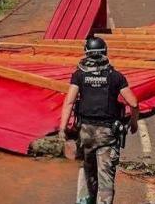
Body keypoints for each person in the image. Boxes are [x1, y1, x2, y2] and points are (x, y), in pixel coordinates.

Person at [59, 37, 139, 204]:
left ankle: (83, 201)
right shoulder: (116, 76)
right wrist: (133, 122)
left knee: (86, 170)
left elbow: (69, 102)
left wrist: (62, 128)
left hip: (85, 133)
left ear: (86, 53)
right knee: (105, 176)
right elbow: (133, 102)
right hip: (107, 134)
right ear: (105, 53)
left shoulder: (79, 75)